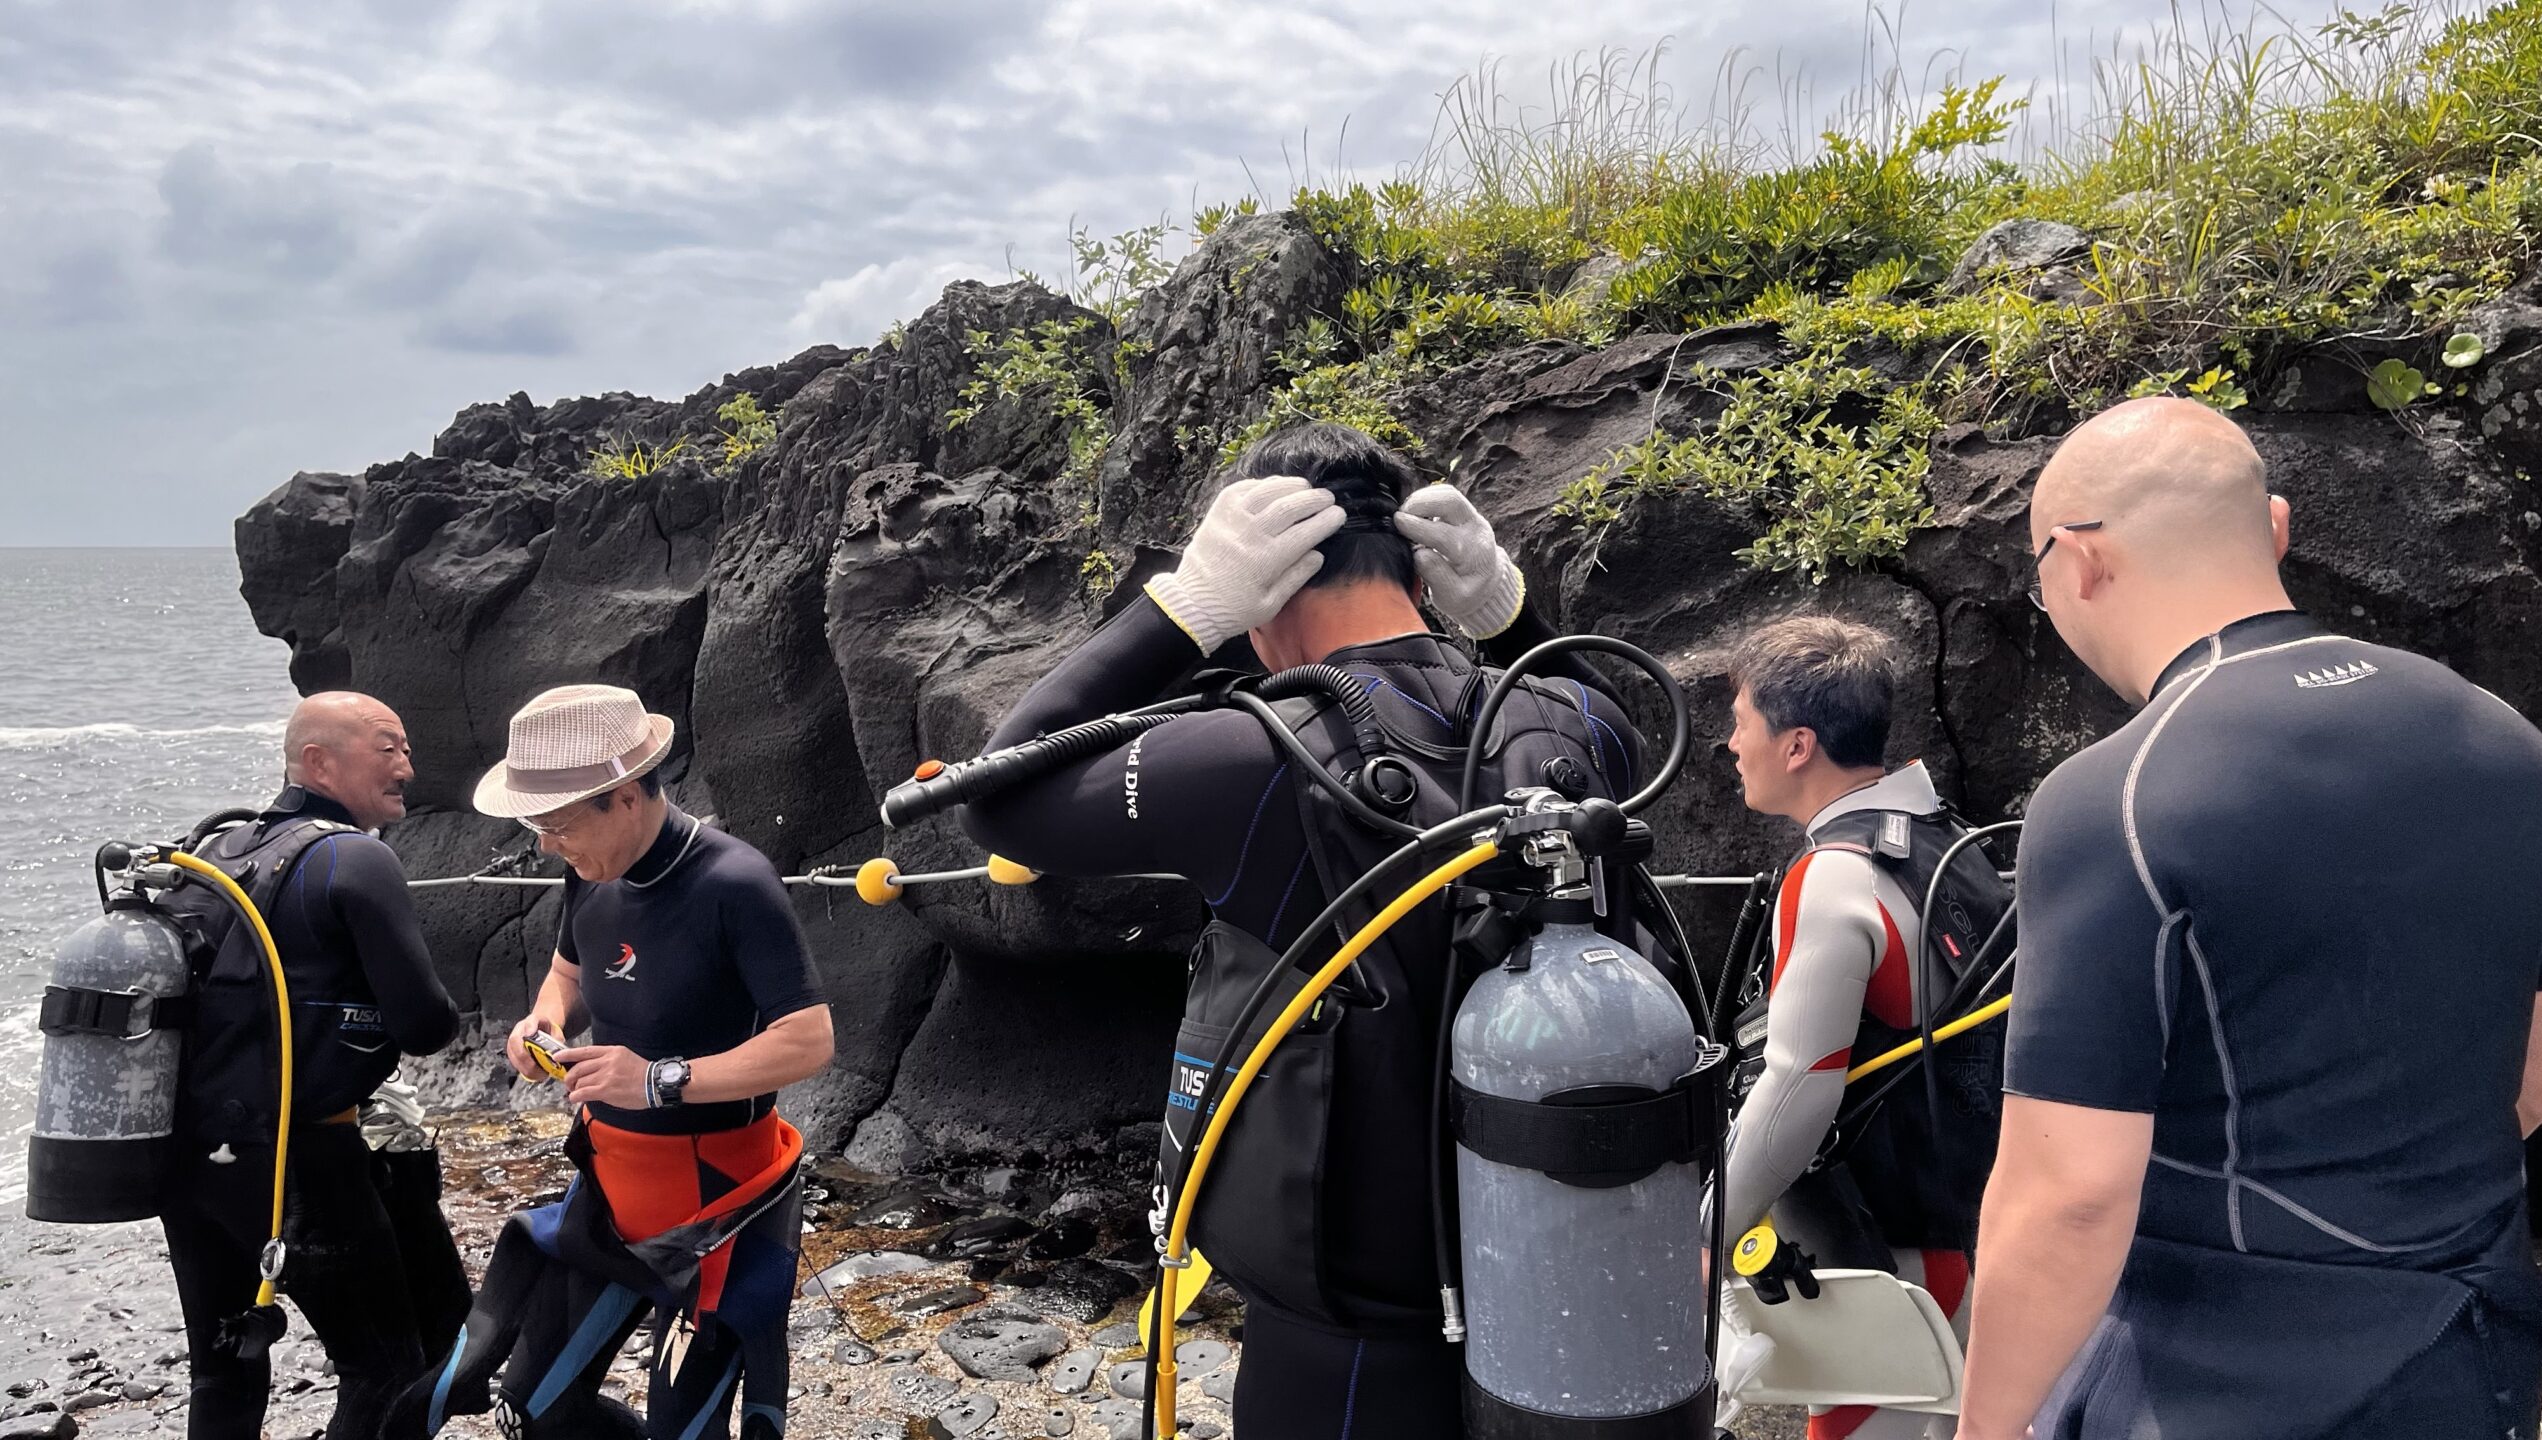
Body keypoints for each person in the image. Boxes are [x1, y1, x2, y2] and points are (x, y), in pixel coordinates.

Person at [961, 422, 1657, 1438]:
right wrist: (1507, 617)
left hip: (1352, 1353)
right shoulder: (1565, 724)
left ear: (1262, 582)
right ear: (1424, 576)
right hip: (1569, 1296)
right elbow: (1619, 717)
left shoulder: (1258, 758)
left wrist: (1178, 613)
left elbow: (1000, 796)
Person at [1956, 397, 2542, 1440]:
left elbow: (2069, 1195)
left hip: (2223, 1384)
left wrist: (1983, 1431)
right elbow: (2539, 1062)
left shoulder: (2120, 798)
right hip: (2471, 1359)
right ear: (2272, 528)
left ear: (2081, 561)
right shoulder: (2504, 738)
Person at [387, 684, 834, 1440]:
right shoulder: (589, 874)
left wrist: (658, 1080)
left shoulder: (734, 882)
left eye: (556, 825)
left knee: (682, 1431)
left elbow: (810, 1038)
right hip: (611, 1192)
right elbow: (571, 973)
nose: (545, 844)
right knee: (528, 1410)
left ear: (624, 796)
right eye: (537, 826)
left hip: (719, 1206)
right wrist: (544, 1022)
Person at [1714, 616, 2008, 1440]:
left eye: (1740, 723)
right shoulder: (1946, 838)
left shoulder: (1833, 876)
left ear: (1797, 743)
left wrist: (1704, 1234)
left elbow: (1797, 1089)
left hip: (1887, 1260)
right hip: (1969, 1234)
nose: (1730, 744)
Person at [160, 691, 463, 1440]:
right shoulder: (354, 857)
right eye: (387, 748)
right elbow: (426, 1028)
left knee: (224, 1368)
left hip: (191, 1159)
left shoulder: (210, 852)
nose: (407, 767)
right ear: (318, 761)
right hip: (304, 1162)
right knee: (386, 1371)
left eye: (407, 749)